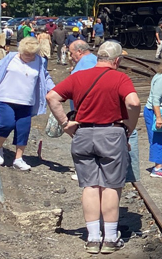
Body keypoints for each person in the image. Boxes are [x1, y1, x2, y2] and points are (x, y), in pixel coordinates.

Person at [45, 41, 140, 254]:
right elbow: (133, 103)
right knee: (110, 185)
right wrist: (129, 127)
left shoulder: (78, 76)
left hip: (83, 134)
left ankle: (93, 238)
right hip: (112, 135)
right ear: (117, 60)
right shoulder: (120, 77)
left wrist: (65, 124)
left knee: (90, 185)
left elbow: (52, 97)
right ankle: (110, 238)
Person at [0, 37, 56, 171]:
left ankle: (18, 159)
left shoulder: (40, 61)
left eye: (32, 55)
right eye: (26, 54)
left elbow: (45, 77)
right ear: (20, 51)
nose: (29, 57)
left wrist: (55, 91)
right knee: (6, 124)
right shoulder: (11, 57)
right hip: (3, 98)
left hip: (26, 102)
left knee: (23, 129)